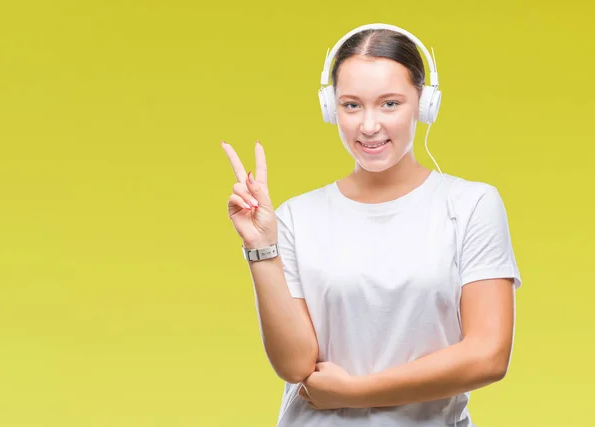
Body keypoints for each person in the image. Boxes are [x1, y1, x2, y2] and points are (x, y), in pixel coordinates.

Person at [221, 23, 521, 427]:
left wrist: (355, 392)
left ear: (425, 103)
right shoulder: (295, 217)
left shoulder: (471, 205)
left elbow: (488, 355)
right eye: (351, 105)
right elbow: (295, 365)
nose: (369, 125)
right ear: (331, 109)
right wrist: (261, 249)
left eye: (390, 104)